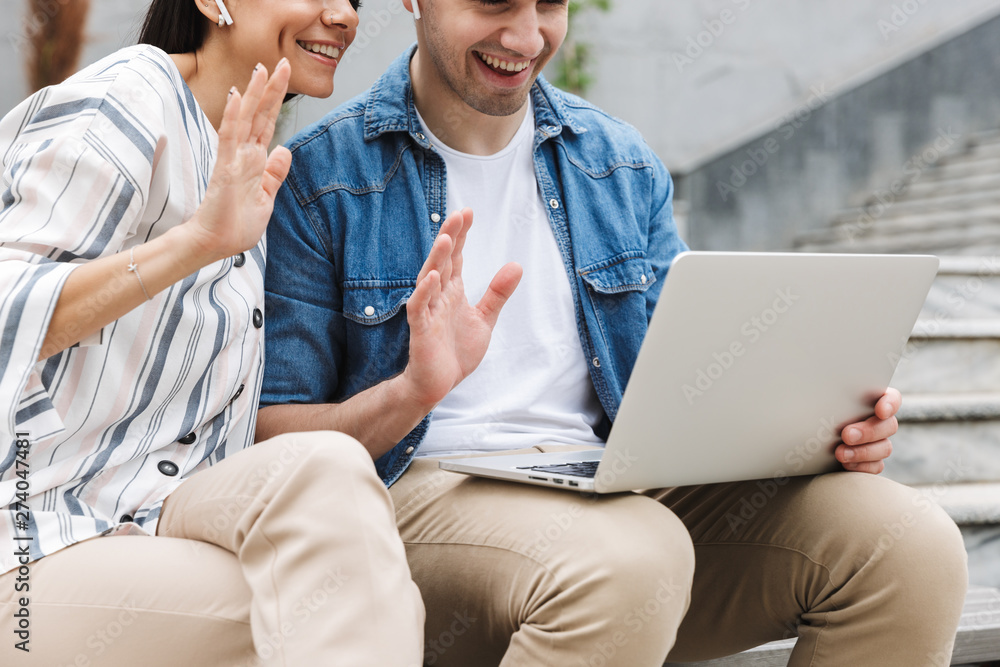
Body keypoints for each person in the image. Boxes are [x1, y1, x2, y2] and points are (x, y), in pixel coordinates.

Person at [258, 0, 969, 665]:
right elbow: (274, 439)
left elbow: (693, 374)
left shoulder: (618, 162)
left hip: (609, 492)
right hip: (415, 500)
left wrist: (814, 425)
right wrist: (412, 393)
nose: (527, 37)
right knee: (629, 555)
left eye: (550, 5)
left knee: (907, 543)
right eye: (496, 2)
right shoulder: (318, 175)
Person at [0, 1, 424, 665]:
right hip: (32, 552)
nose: (343, 15)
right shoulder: (127, 102)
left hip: (154, 521)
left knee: (331, 476)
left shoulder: (236, 148)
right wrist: (196, 242)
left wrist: (417, 387)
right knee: (342, 601)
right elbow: (8, 314)